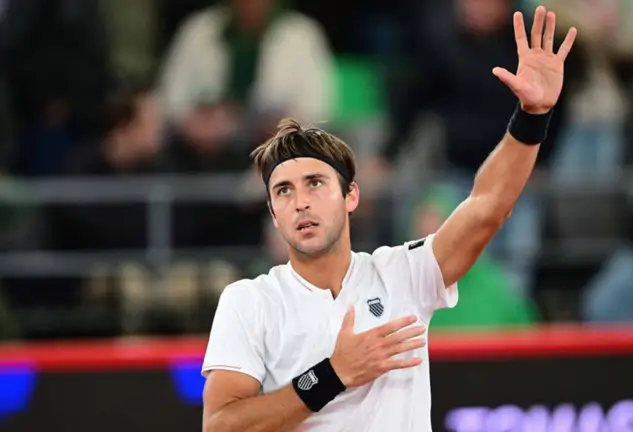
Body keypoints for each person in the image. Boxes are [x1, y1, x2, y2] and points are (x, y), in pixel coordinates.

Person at [201, 6, 577, 432]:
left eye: (315, 183)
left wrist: (532, 116)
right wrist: (330, 376)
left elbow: (488, 205)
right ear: (272, 213)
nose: (300, 202)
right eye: (283, 191)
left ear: (351, 196)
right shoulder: (249, 301)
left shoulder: (402, 274)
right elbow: (221, 425)